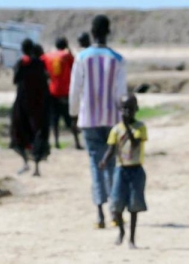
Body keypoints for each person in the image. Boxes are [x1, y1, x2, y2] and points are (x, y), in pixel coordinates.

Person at [70, 15, 128, 228]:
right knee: (112, 164)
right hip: (112, 120)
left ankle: (99, 214)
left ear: (92, 33)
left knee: (96, 165)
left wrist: (74, 113)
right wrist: (124, 121)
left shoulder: (82, 57)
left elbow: (75, 89)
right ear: (108, 32)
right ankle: (115, 212)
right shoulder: (118, 59)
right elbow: (121, 93)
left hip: (89, 120)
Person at [99, 94, 147, 249]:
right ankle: (121, 231)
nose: (127, 112)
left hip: (136, 170)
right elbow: (111, 148)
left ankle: (132, 239)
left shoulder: (140, 127)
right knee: (116, 204)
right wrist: (104, 160)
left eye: (130, 109)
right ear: (120, 110)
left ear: (136, 110)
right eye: (124, 108)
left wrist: (127, 127)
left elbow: (134, 144)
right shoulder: (115, 130)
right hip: (121, 170)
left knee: (134, 206)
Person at [10, 39, 50, 177]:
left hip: (22, 102)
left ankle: (25, 163)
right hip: (38, 104)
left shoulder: (21, 63)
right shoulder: (39, 63)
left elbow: (15, 80)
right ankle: (37, 168)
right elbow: (45, 81)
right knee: (37, 133)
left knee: (19, 131)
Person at [44, 37, 83, 150]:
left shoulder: (48, 56)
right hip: (66, 91)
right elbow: (74, 65)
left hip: (53, 91)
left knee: (55, 119)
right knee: (71, 118)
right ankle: (77, 143)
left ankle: (56, 143)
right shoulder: (67, 56)